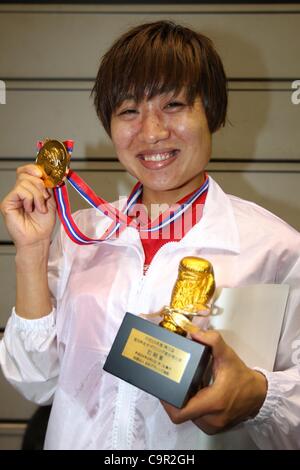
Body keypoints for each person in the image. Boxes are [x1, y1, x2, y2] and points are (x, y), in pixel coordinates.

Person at [0, 20, 300, 450]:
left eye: (174, 104)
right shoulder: (77, 235)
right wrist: (31, 250)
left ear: (210, 112)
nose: (152, 131)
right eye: (128, 111)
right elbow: (34, 381)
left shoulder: (276, 249)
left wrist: (258, 396)